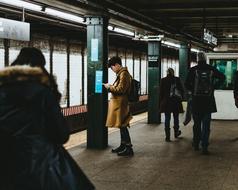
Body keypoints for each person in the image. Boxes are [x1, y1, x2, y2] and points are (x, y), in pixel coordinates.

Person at [0, 47, 94, 190]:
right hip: (42, 163)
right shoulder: (43, 92)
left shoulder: (2, 91)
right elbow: (62, 134)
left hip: (6, 163)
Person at [185, 52, 225, 155]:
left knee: (197, 124)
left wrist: (193, 90)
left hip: (196, 101)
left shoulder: (193, 70)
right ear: (205, 58)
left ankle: (196, 143)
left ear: (197, 59)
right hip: (208, 102)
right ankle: (205, 146)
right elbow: (222, 77)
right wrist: (214, 87)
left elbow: (186, 84)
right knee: (206, 125)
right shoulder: (211, 69)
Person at [103, 56, 133, 156]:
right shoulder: (121, 74)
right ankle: (123, 145)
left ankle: (128, 148)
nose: (112, 70)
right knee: (121, 125)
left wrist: (109, 87)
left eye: (112, 67)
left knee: (123, 125)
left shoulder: (124, 74)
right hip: (119, 103)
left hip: (121, 104)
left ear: (117, 65)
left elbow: (121, 89)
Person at [159, 68, 185, 142]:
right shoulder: (177, 79)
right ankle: (176, 133)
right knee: (176, 118)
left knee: (167, 118)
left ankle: (167, 136)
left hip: (166, 102)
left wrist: (160, 103)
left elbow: (161, 93)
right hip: (175, 102)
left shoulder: (163, 80)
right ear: (173, 72)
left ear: (167, 72)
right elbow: (182, 91)